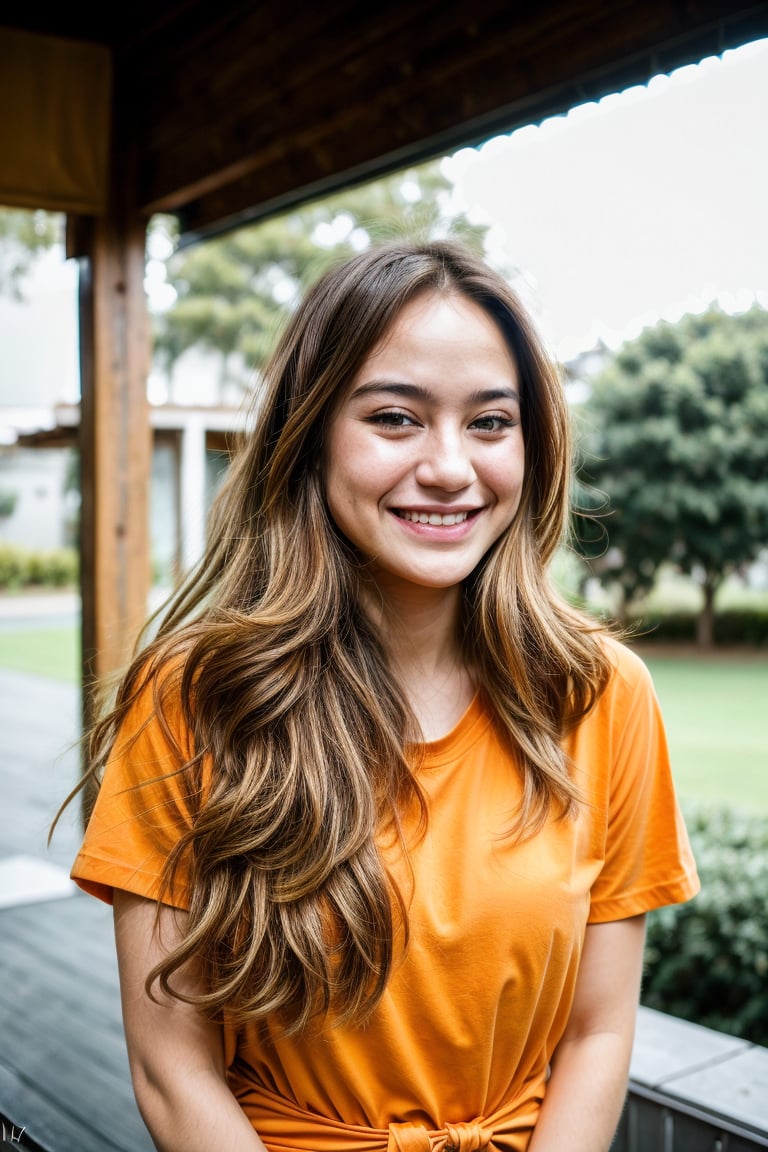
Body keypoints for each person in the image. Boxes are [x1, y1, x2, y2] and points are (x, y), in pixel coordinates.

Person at [67, 238, 699, 1152]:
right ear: (311, 432)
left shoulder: (603, 694)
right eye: (397, 418)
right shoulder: (194, 697)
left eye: (490, 423)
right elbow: (174, 1072)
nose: (450, 467)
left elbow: (599, 1033)